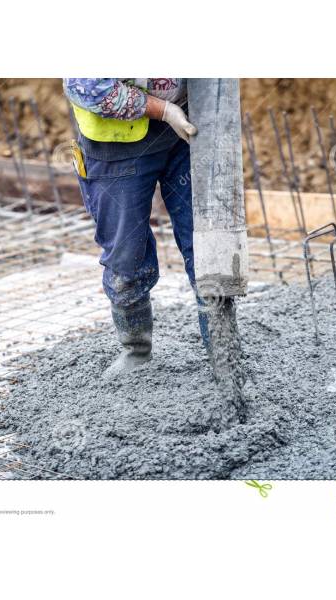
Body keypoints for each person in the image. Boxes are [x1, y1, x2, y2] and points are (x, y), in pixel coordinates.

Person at [63, 78, 208, 377]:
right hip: (116, 145)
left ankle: (222, 346)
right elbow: (88, 86)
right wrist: (164, 111)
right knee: (126, 256)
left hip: (187, 129)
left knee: (209, 241)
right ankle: (136, 350)